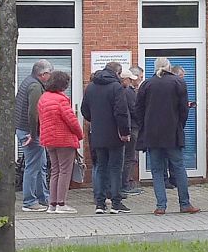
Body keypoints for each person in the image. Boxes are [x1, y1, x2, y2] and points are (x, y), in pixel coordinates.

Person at [136, 57, 200, 215]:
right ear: (169, 67)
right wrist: (179, 126)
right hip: (172, 133)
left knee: (157, 170)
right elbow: (183, 110)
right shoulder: (178, 83)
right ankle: (185, 204)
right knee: (178, 168)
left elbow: (138, 109)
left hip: (152, 134)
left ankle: (161, 206)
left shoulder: (146, 85)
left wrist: (145, 126)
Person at [82, 62, 131, 214]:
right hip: (115, 134)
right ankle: (115, 204)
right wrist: (124, 132)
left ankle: (100, 204)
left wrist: (95, 120)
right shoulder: (116, 87)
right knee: (115, 169)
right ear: (117, 73)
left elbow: (85, 110)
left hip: (97, 133)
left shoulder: (90, 87)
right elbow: (121, 112)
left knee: (101, 168)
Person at [37, 71, 83, 214]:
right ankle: (61, 204)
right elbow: (72, 121)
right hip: (64, 139)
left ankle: (52, 204)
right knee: (65, 171)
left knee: (55, 171)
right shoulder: (61, 100)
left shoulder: (43, 98)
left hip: (49, 139)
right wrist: (79, 134)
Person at [16, 59, 53, 212]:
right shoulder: (35, 87)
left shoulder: (28, 81)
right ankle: (30, 201)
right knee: (32, 167)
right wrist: (33, 133)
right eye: (49, 74)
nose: (50, 77)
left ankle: (43, 197)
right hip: (29, 132)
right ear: (43, 74)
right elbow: (33, 112)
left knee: (41, 165)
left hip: (24, 129)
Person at [120, 67, 143, 197]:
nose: (140, 80)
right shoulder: (128, 92)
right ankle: (125, 184)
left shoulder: (129, 91)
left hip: (132, 126)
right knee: (130, 157)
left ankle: (126, 183)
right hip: (132, 127)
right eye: (139, 77)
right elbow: (134, 110)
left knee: (130, 157)